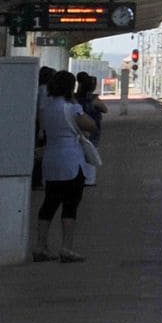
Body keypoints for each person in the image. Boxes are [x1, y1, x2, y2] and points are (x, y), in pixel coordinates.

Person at [33, 71, 96, 263]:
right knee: (70, 206)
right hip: (72, 161)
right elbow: (91, 125)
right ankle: (66, 249)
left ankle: (41, 247)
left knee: (49, 204)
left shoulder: (46, 108)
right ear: (70, 88)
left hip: (51, 161)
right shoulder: (71, 108)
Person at [74, 71, 107, 144]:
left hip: (78, 129)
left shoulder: (74, 98)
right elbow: (105, 109)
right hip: (93, 131)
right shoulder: (94, 99)